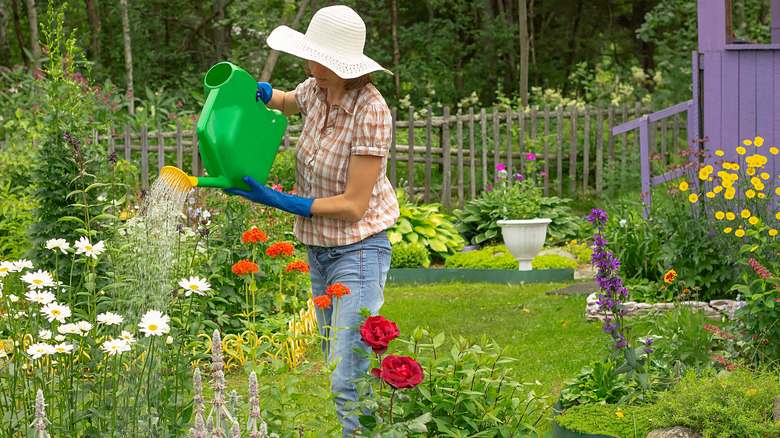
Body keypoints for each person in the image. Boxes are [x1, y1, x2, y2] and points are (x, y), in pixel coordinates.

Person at [224, 5, 399, 436]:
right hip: (319, 251)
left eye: (320, 60)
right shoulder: (317, 88)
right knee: (340, 362)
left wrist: (280, 201)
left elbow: (354, 205)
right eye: (309, 56)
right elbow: (288, 101)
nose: (310, 66)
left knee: (347, 377)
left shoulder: (370, 110)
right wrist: (263, 94)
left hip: (359, 250)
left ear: (345, 65)